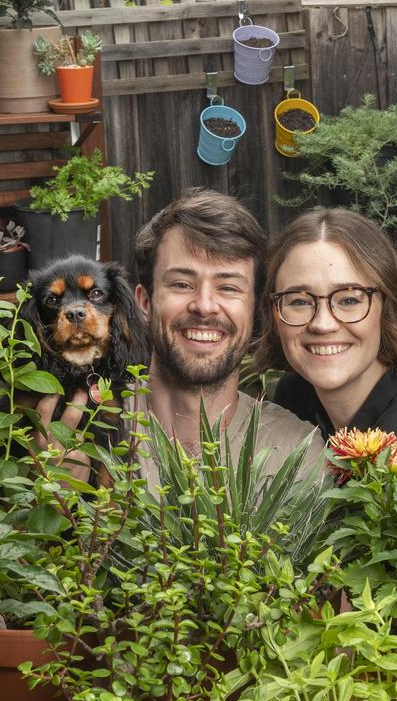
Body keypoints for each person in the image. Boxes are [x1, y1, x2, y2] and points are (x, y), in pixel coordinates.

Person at [38, 188, 324, 487]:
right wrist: (60, 508)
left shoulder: (300, 457)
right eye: (182, 283)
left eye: (228, 287)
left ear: (255, 310)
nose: (204, 305)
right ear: (145, 303)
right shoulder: (68, 428)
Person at [255, 208, 397, 467]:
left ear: (388, 308)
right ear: (273, 313)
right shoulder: (295, 397)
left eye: (349, 299)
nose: (322, 324)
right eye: (299, 300)